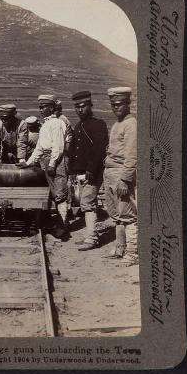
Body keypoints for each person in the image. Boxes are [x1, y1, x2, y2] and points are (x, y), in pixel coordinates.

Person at [18, 95, 70, 239]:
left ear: (52, 108)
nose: (41, 109)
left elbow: (59, 147)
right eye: (40, 107)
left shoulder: (57, 123)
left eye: (44, 106)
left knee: (60, 195)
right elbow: (39, 148)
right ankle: (58, 224)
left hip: (57, 160)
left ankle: (63, 227)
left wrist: (53, 163)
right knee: (53, 193)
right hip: (47, 159)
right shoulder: (45, 125)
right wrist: (28, 163)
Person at [67, 91, 109, 251]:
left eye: (83, 106)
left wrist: (91, 169)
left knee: (87, 204)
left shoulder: (98, 124)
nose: (79, 110)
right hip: (82, 172)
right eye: (77, 107)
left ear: (90, 105)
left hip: (93, 172)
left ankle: (91, 238)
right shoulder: (79, 126)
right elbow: (74, 151)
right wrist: (73, 171)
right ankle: (89, 236)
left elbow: (99, 150)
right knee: (86, 204)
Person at [102, 87, 137, 266]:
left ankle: (132, 254)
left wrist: (125, 178)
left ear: (127, 103)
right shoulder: (117, 124)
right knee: (115, 214)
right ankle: (119, 248)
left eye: (119, 104)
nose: (116, 107)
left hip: (120, 174)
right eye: (113, 105)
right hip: (110, 172)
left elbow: (132, 155)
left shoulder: (131, 124)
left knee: (127, 214)